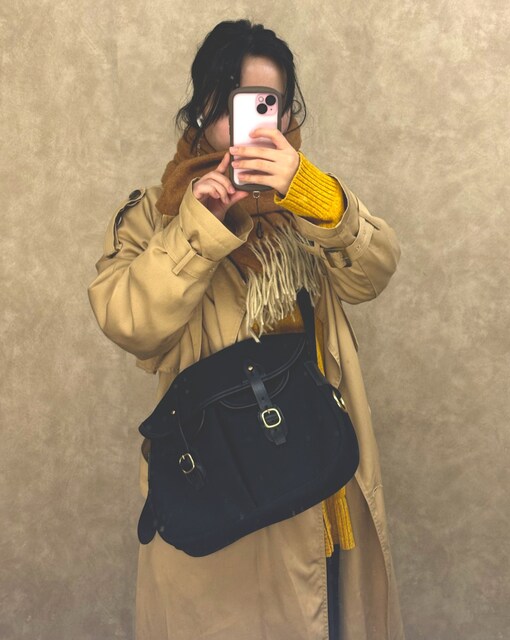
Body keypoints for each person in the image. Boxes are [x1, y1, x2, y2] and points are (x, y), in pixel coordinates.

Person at [88, 18, 405, 640]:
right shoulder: (156, 215)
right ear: (203, 105)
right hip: (226, 502)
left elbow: (372, 274)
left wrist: (314, 196)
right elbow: (130, 323)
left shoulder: (305, 201)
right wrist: (201, 228)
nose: (254, 121)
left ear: (285, 113)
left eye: (269, 104)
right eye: (233, 101)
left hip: (320, 485)